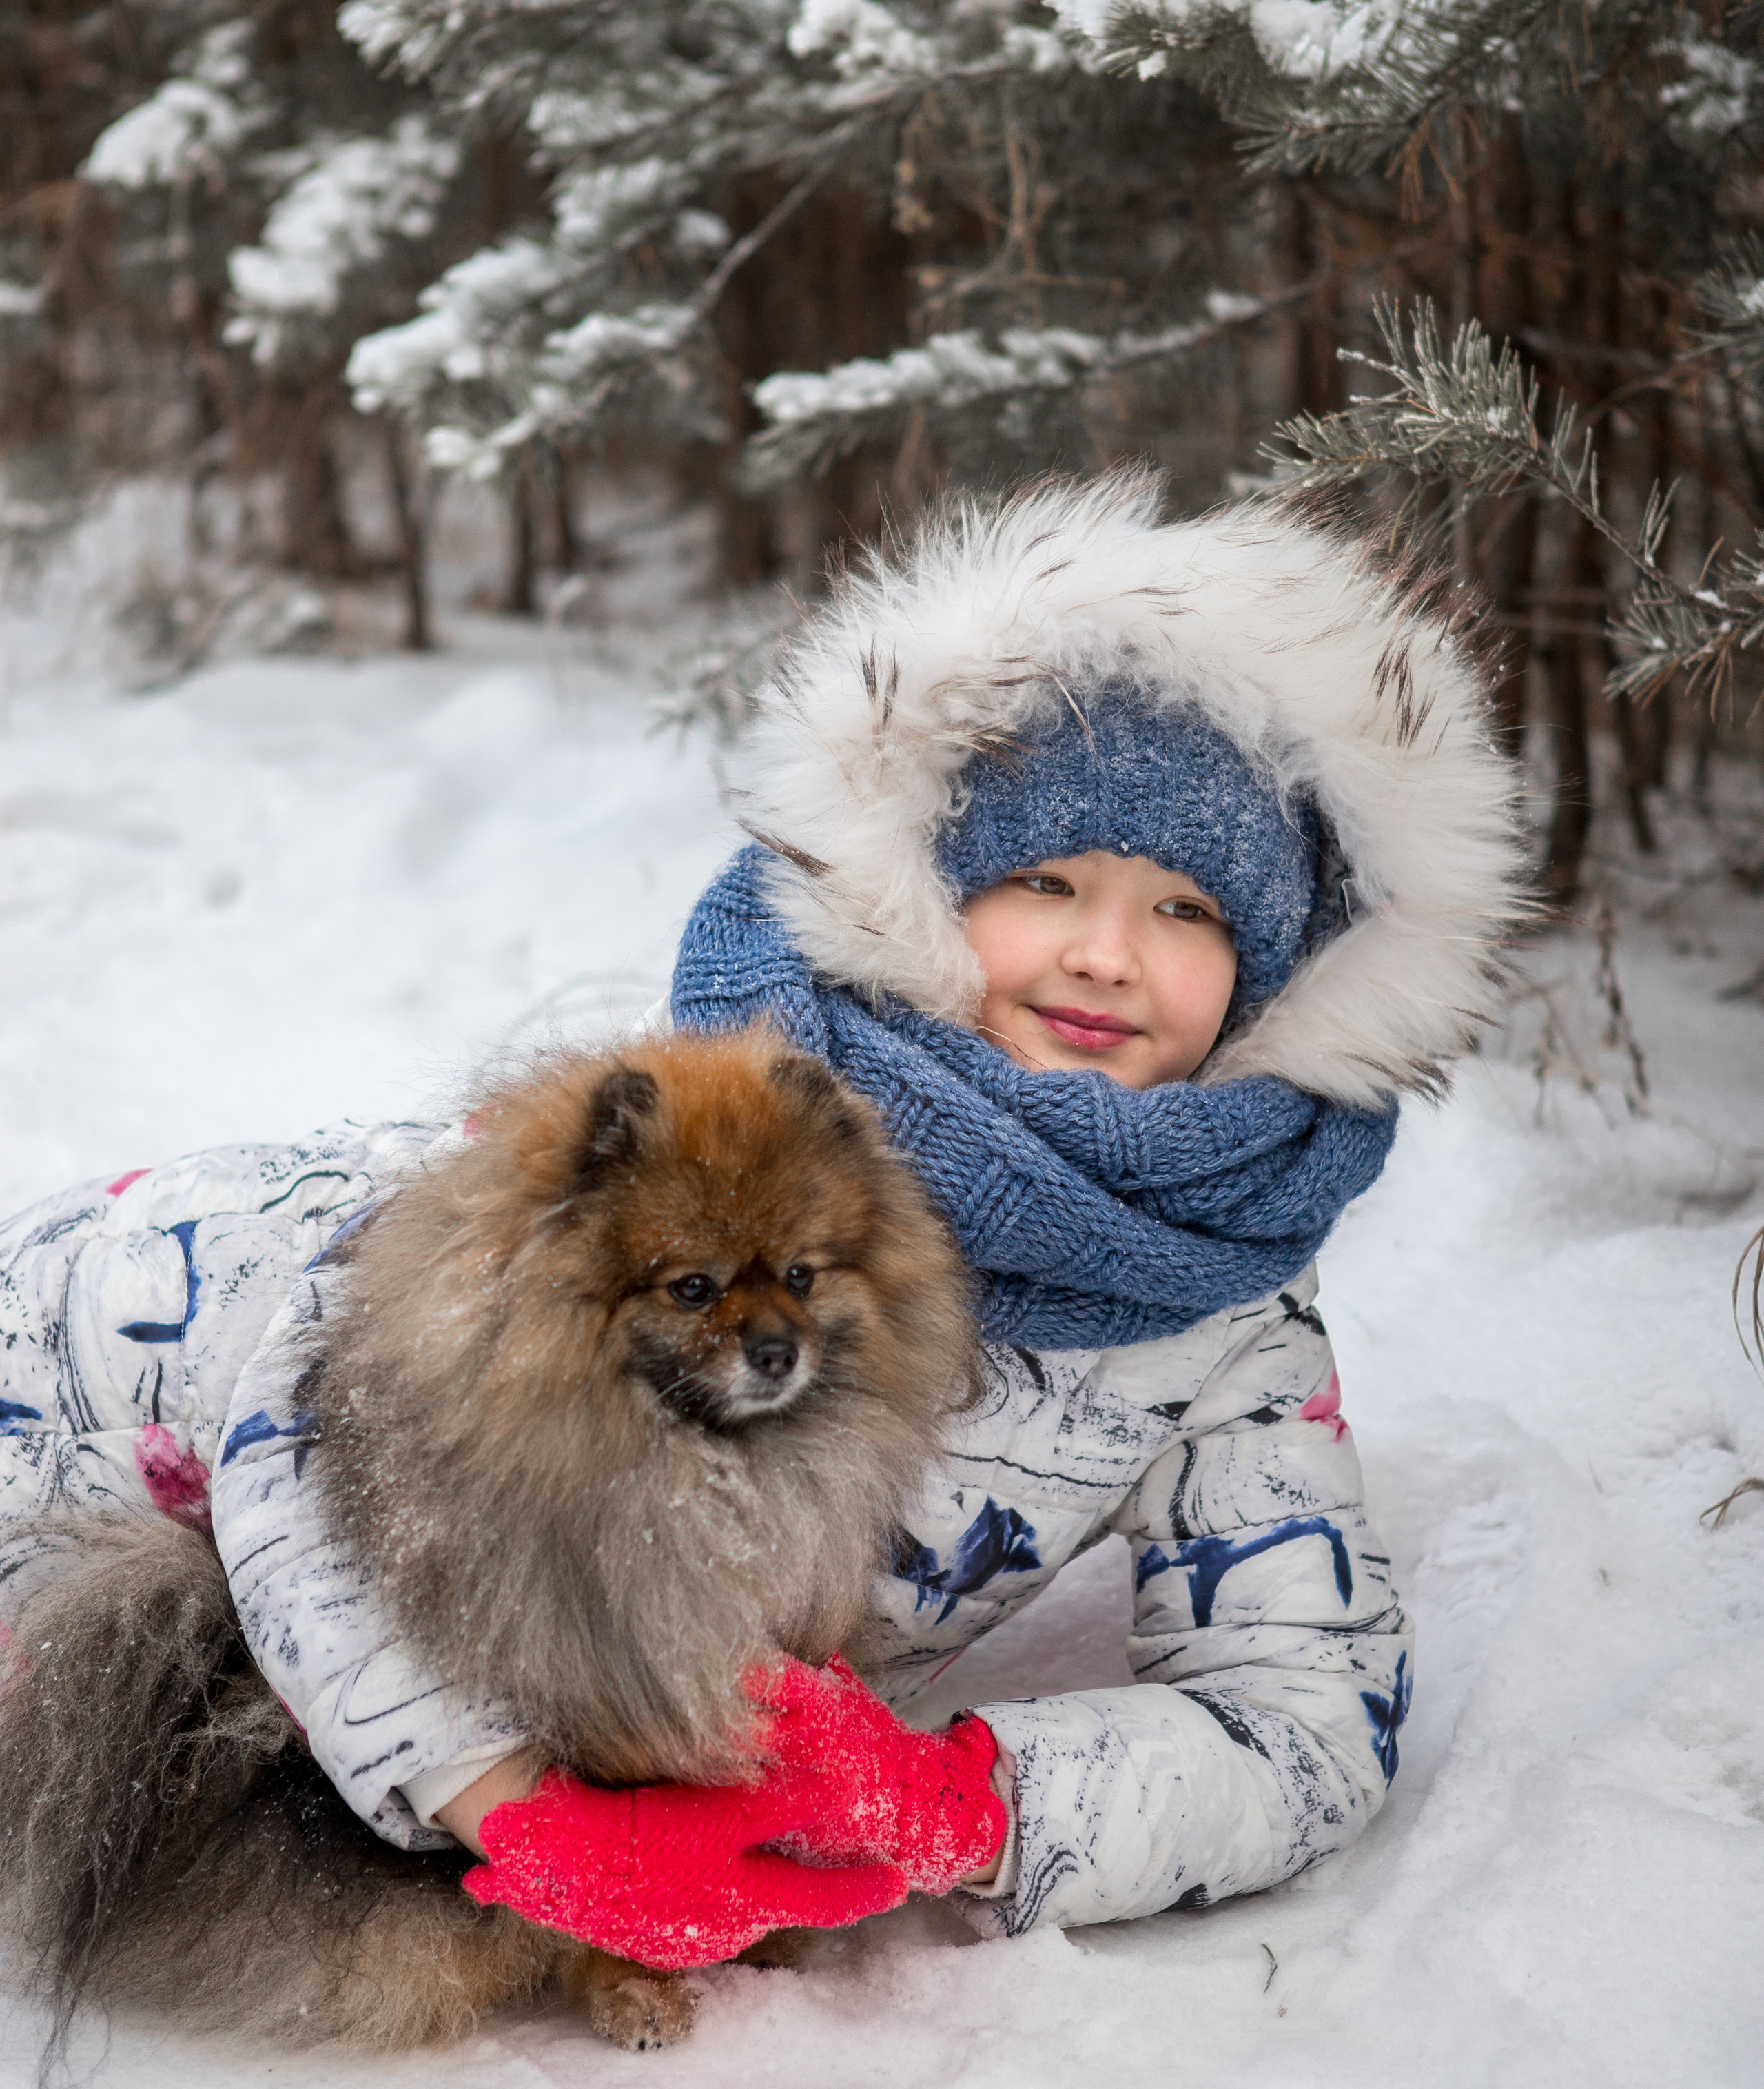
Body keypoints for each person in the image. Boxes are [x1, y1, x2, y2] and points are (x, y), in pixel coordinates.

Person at [0, 472, 1528, 1948]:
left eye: (1186, 910)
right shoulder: (735, 1107)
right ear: (929, 893)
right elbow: (318, 1431)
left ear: (1260, 969)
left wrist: (960, 1803)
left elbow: (1305, 1720)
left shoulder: (1225, 1299)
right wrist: (508, 1801)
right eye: (1046, 882)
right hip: (91, 1382)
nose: (1106, 956)